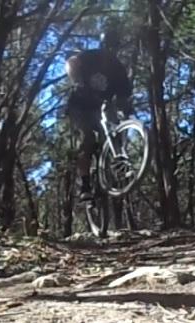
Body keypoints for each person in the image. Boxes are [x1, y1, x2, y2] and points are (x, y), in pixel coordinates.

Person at [65, 25, 133, 201]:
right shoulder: (91, 56)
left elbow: (124, 95)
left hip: (98, 110)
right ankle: (85, 185)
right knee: (87, 139)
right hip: (79, 106)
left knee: (112, 137)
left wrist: (126, 112)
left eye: (114, 46)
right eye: (108, 45)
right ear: (103, 44)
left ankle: (113, 170)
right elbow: (71, 63)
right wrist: (77, 81)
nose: (111, 50)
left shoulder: (118, 69)